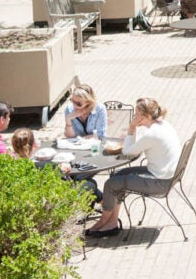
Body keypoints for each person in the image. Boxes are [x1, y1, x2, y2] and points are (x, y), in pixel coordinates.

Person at [85, 98, 182, 238]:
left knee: (111, 184)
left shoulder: (152, 134)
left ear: (146, 116)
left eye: (137, 113)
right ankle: (112, 223)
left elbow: (128, 151)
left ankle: (103, 221)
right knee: (116, 175)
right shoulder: (163, 124)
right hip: (165, 174)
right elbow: (133, 148)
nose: (134, 116)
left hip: (160, 182)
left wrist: (131, 128)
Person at [12, 128, 102, 203]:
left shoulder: (11, 166)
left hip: (32, 200)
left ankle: (104, 209)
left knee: (81, 178)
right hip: (58, 201)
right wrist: (60, 168)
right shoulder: (46, 166)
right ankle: (105, 210)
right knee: (90, 183)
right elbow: (65, 176)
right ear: (34, 144)